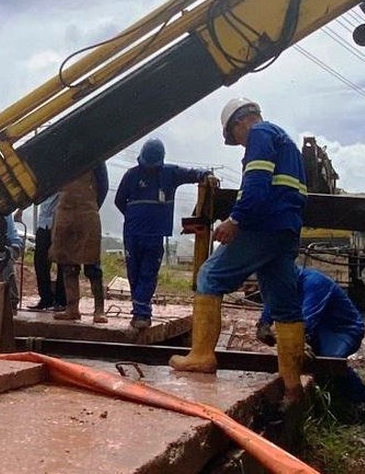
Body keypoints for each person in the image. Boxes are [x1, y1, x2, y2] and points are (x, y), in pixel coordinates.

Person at [170, 97, 308, 404]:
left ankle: (202, 356)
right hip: (286, 230)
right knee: (285, 305)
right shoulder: (287, 144)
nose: (241, 145)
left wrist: (236, 220)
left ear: (240, 122)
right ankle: (292, 387)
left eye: (236, 138)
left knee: (210, 276)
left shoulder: (260, 135)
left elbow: (257, 185)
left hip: (262, 226)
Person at [256, 267, 365, 421]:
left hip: (342, 329)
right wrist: (263, 324)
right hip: (319, 329)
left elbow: (307, 321)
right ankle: (326, 395)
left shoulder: (315, 283)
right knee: (309, 360)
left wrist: (296, 342)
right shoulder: (285, 284)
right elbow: (274, 302)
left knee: (330, 362)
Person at [115, 138, 212, 329]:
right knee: (134, 273)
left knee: (148, 272)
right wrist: (135, 217)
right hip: (133, 234)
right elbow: (119, 201)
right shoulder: (131, 175)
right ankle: (139, 310)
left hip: (155, 234)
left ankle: (142, 314)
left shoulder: (170, 173)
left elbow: (193, 174)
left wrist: (206, 174)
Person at [51, 162, 110, 324]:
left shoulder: (96, 156)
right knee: (67, 263)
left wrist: (91, 206)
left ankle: (99, 309)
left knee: (92, 265)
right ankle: (72, 307)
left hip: (87, 211)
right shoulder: (62, 157)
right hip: (65, 211)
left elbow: (104, 186)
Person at [19, 194, 67, 312]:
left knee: (62, 261)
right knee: (40, 262)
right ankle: (46, 297)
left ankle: (61, 300)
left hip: (59, 222)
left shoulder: (64, 179)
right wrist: (20, 209)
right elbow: (34, 194)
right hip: (43, 222)